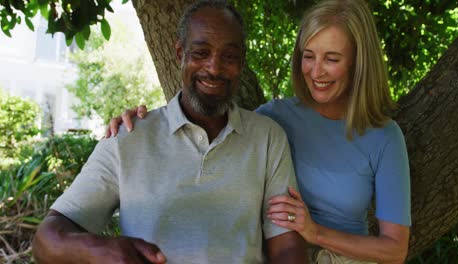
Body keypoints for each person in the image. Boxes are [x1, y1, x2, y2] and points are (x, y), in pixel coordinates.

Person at [109, 0, 411, 263]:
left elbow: (395, 250)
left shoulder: (384, 137)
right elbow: (205, 138)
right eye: (309, 55)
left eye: (332, 59)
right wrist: (140, 126)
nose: (316, 71)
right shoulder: (272, 119)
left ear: (358, 63)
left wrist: (314, 231)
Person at [32, 1, 308, 263]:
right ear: (179, 53)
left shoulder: (268, 138)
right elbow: (46, 241)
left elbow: (286, 246)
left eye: (229, 56)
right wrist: (101, 251)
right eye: (201, 53)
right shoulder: (128, 138)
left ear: (242, 61)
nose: (214, 67)